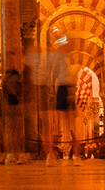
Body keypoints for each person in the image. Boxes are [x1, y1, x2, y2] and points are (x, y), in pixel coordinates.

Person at [44, 26, 79, 164]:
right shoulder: (60, 56)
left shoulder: (65, 57)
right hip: (64, 88)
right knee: (68, 122)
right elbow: (53, 74)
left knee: (70, 123)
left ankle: (73, 155)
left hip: (66, 89)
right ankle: (56, 155)